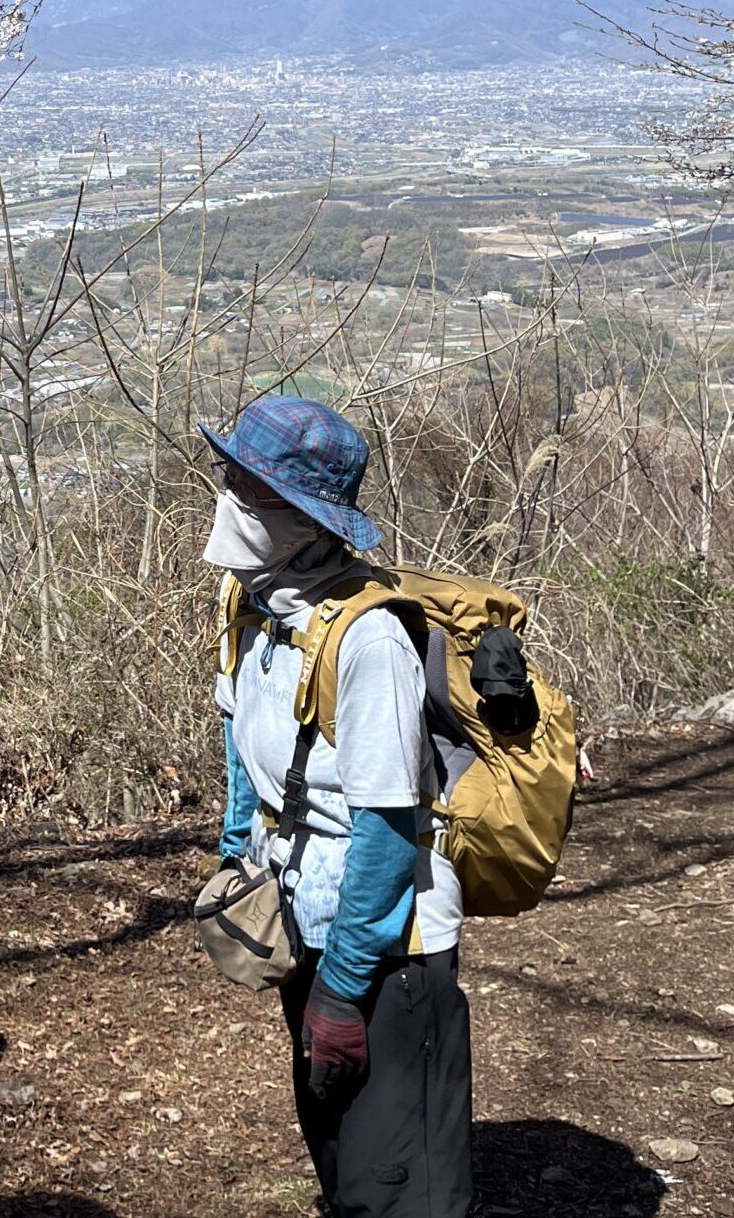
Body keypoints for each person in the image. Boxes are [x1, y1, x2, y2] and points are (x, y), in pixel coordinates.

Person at [204, 395, 474, 1218]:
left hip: (389, 950)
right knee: (340, 1157)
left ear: (308, 522)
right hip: (306, 926)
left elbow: (387, 831)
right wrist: (236, 857)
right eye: (228, 476)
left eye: (253, 488)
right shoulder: (252, 605)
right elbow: (241, 741)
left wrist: (345, 990)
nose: (230, 498)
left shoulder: (369, 641)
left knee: (399, 1187)